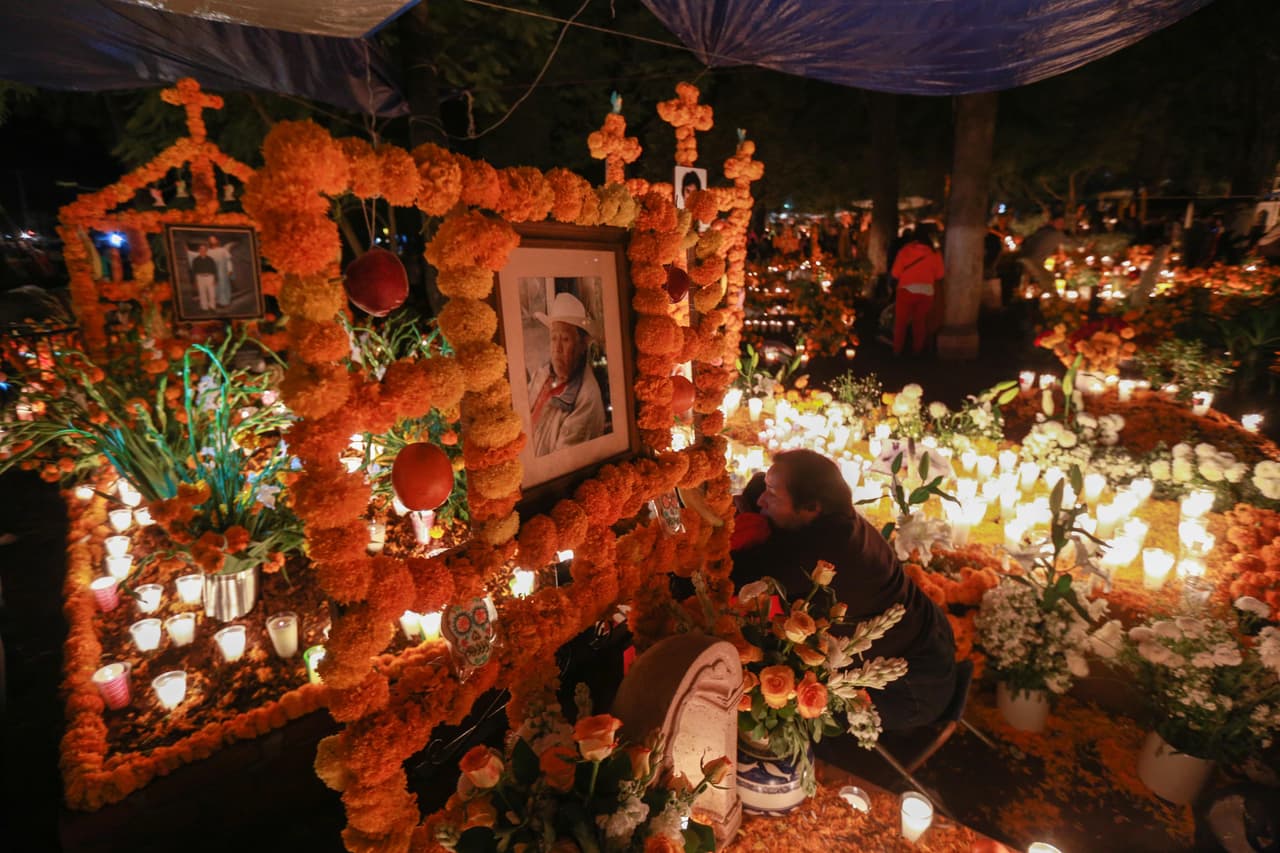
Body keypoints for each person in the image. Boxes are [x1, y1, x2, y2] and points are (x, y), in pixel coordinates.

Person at [732, 450, 958, 731]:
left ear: (811, 507)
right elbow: (757, 489)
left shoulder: (821, 553)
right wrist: (763, 489)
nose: (761, 499)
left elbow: (735, 571)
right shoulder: (831, 515)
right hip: (930, 640)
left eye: (773, 495)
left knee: (781, 713)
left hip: (910, 690)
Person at [526, 291, 607, 456]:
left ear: (582, 346)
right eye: (554, 338)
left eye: (565, 340)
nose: (557, 348)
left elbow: (562, 461)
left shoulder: (587, 398)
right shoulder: (542, 374)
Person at [890, 224, 945, 356]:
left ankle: (897, 350)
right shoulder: (934, 253)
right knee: (919, 321)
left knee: (901, 322)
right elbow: (940, 275)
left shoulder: (905, 251)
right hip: (926, 291)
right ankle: (917, 349)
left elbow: (895, 273)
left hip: (906, 290)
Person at [206, 234, 236, 307]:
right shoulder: (208, 252)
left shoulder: (223, 250)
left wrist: (230, 270)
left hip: (222, 272)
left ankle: (224, 302)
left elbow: (228, 260)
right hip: (212, 272)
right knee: (213, 287)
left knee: (223, 286)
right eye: (210, 240)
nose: (212, 241)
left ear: (217, 240)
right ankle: (214, 302)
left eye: (213, 239)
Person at [189, 244, 218, 311]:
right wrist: (195, 281)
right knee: (202, 293)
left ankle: (212, 306)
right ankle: (204, 307)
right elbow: (194, 271)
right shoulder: (195, 260)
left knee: (212, 293)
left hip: (210, 277)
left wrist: (215, 279)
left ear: (206, 250)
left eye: (204, 249)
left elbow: (214, 269)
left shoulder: (211, 259)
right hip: (199, 278)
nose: (203, 251)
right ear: (199, 250)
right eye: (201, 249)